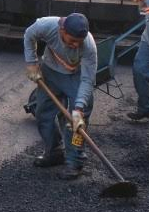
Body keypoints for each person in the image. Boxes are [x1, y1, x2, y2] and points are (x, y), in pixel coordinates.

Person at [24, 13, 98, 180]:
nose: (74, 45)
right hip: (50, 73)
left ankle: (74, 162)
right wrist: (32, 63)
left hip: (76, 78)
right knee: (43, 113)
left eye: (78, 42)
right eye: (71, 40)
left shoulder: (88, 46)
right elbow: (29, 35)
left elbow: (87, 80)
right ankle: (55, 151)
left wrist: (79, 108)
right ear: (62, 30)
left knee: (77, 123)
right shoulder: (46, 25)